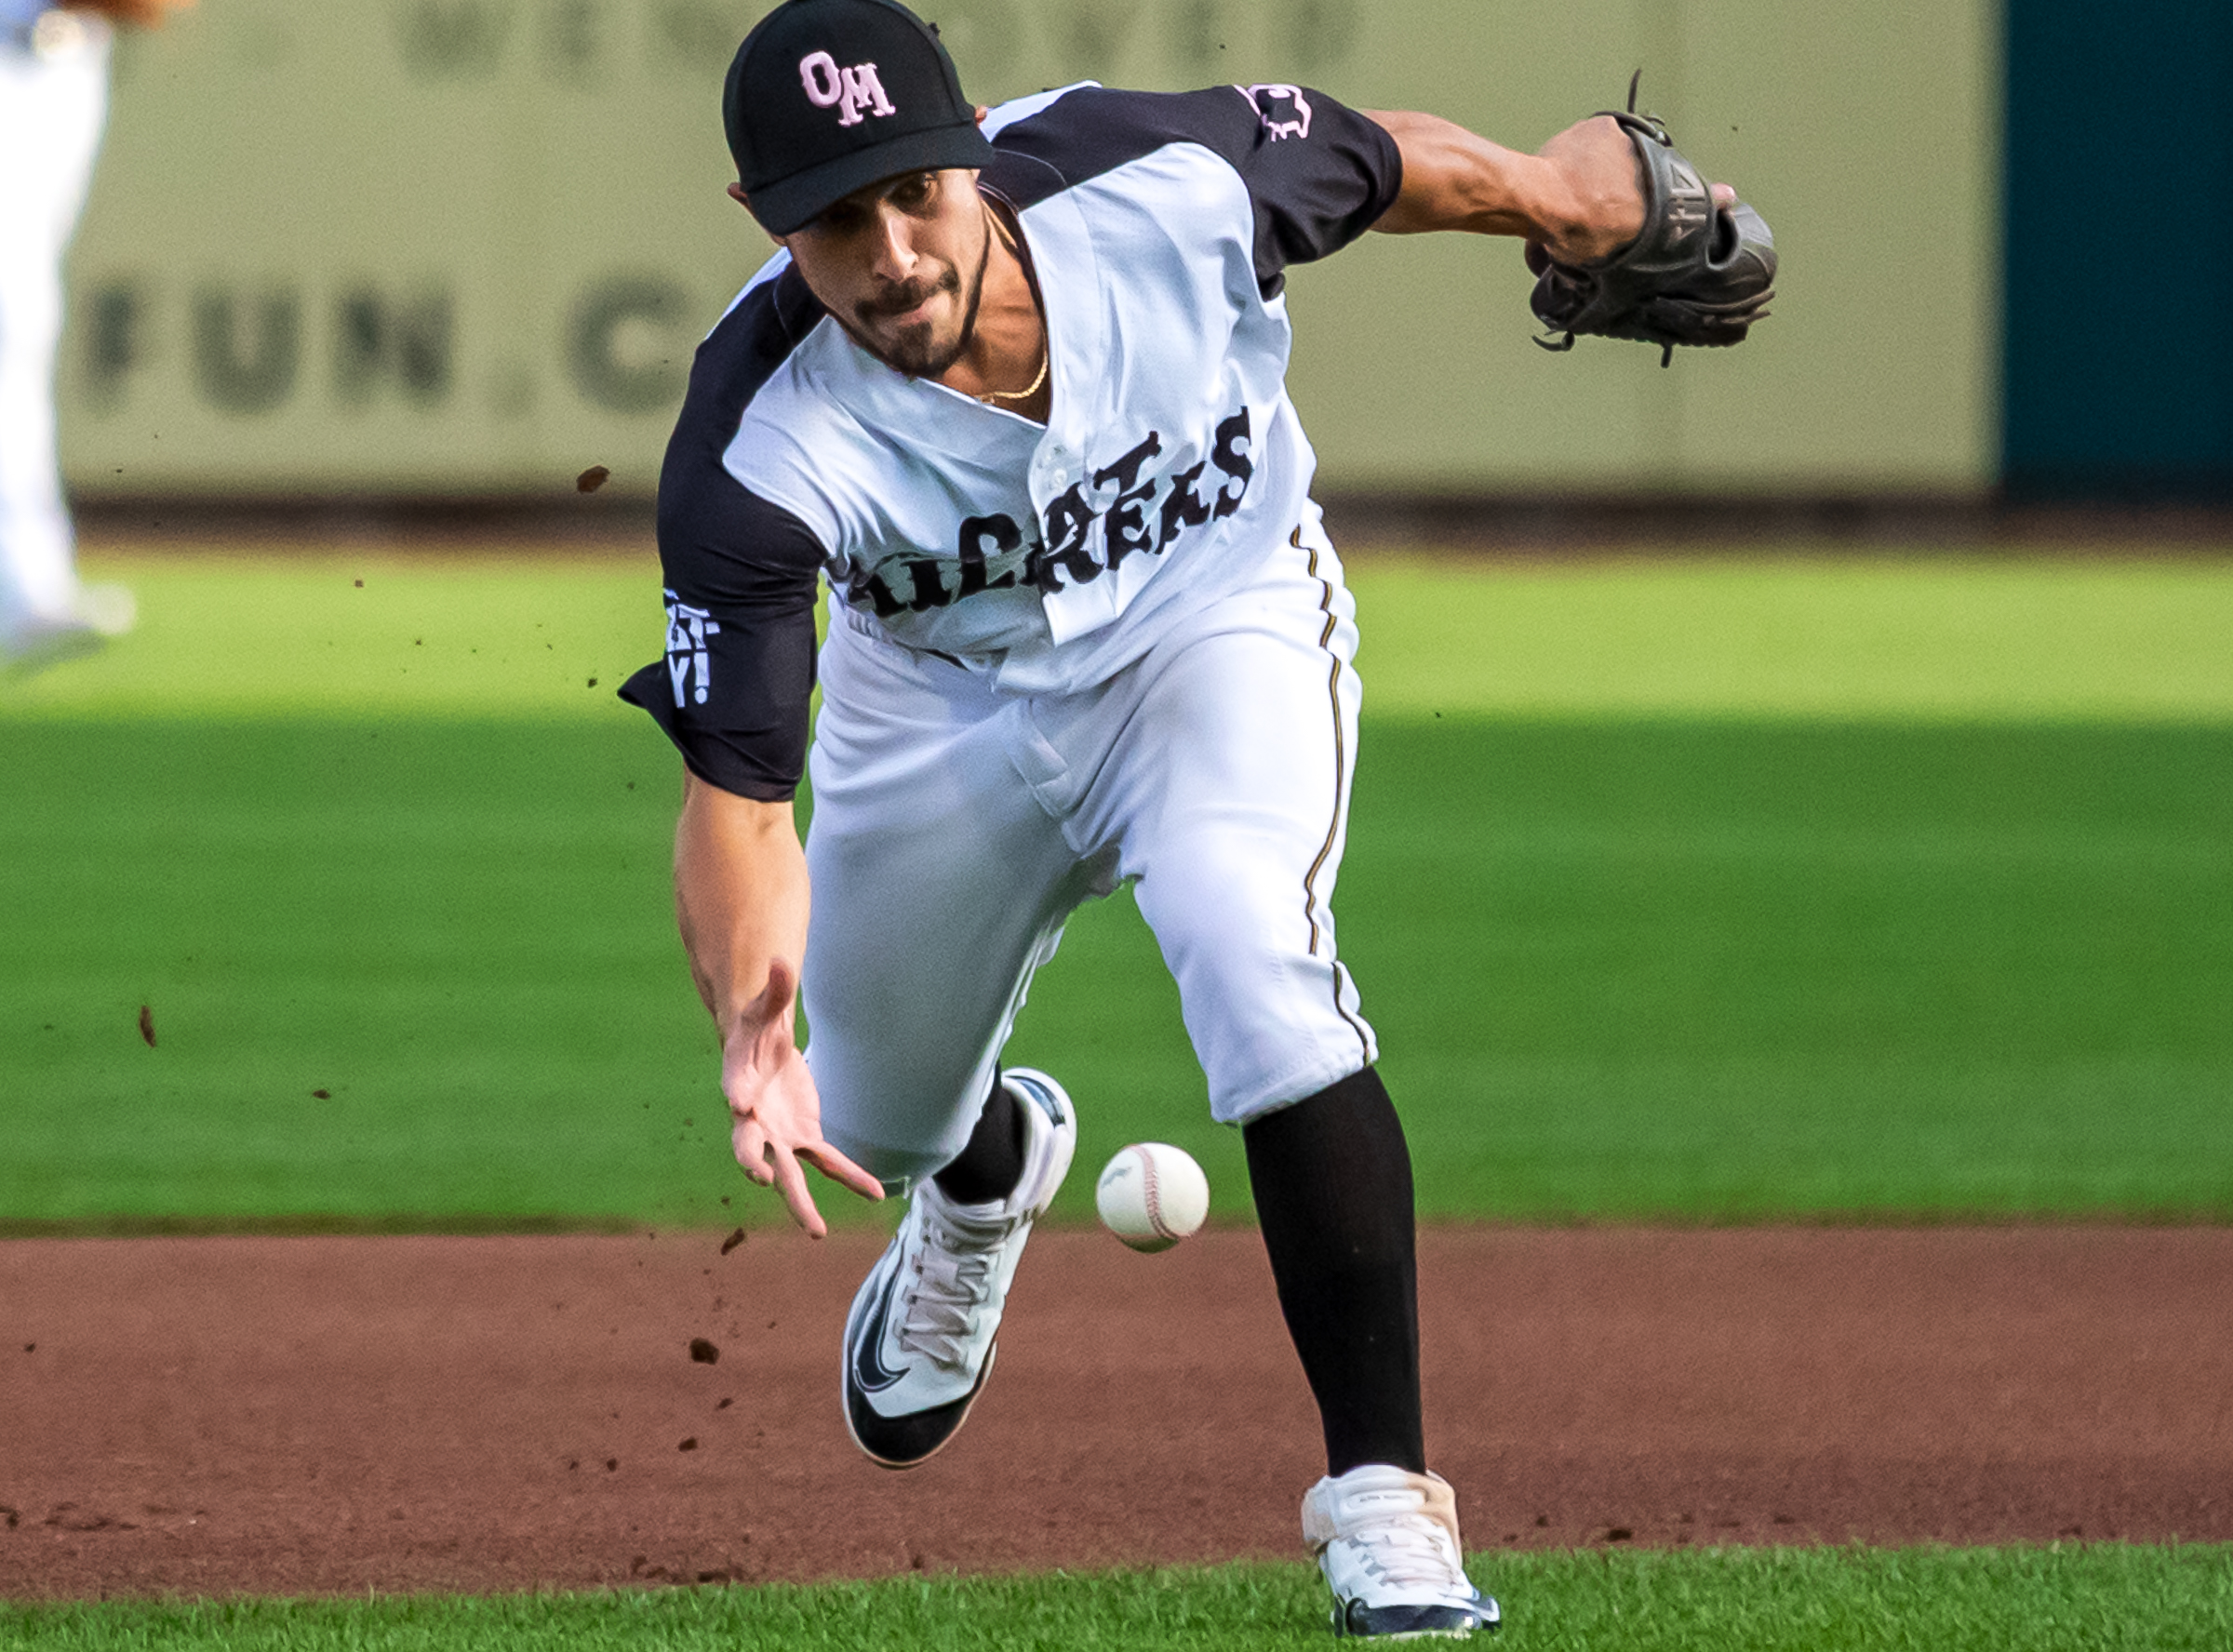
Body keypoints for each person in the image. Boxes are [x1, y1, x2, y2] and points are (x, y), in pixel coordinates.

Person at [622, 0, 1732, 1634]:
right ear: (765, 227)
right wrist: (741, 1016)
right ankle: (985, 1167)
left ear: (968, 159)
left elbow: (1393, 168)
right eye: (834, 221)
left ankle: (1385, 1506)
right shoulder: (753, 439)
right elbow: (738, 800)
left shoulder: (1162, 179)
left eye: (913, 193)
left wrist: (1565, 192)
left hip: (1214, 627)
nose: (893, 253)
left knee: (1251, 954)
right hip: (937, 708)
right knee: (874, 1114)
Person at [0, 0, 191, 672]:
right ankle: (24, 591)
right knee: (11, 314)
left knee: (22, 316)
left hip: (70, 58)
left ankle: (27, 587)